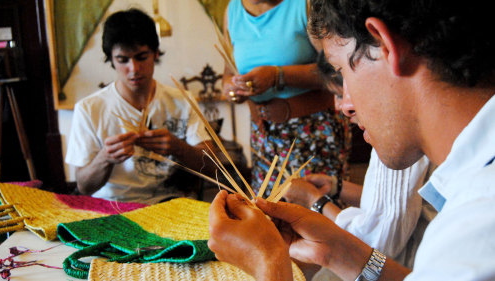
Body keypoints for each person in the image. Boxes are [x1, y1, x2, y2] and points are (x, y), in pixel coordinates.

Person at [208, 0, 495, 280]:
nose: (344, 105)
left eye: (341, 71)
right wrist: (339, 251)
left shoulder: (475, 227)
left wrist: (268, 265)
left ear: (385, 46)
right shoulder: (470, 190)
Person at [284, 52, 435, 274]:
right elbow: (394, 201)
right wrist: (337, 187)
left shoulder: (396, 142)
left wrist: (316, 201)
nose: (342, 107)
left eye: (341, 92)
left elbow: (376, 243)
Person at [66, 9, 212, 204]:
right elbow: (84, 187)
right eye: (123, 60)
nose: (134, 69)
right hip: (114, 207)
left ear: (155, 54)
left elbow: (212, 167)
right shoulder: (89, 109)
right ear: (111, 59)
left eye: (142, 57)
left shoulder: (183, 101)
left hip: (173, 204)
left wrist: (178, 148)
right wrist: (105, 158)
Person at [222, 0, 350, 195]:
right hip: (262, 135)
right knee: (270, 215)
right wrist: (233, 90)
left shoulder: (305, 5)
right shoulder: (232, 11)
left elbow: (338, 68)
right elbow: (227, 75)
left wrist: (278, 76)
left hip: (312, 131)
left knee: (316, 213)